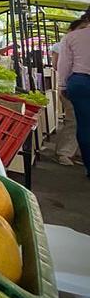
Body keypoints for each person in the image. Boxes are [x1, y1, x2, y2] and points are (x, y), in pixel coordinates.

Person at [57, 18, 90, 178]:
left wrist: (62, 85)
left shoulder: (72, 37)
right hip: (81, 82)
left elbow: (64, 64)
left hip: (80, 81)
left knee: (83, 124)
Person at [52, 36, 79, 166]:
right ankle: (65, 152)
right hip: (72, 84)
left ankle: (72, 151)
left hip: (72, 84)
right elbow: (57, 65)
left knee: (76, 119)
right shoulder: (63, 44)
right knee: (73, 119)